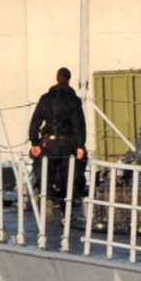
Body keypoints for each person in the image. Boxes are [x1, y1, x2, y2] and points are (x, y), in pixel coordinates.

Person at [28, 66, 88, 210]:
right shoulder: (74, 100)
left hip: (48, 143)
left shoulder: (45, 98)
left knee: (44, 167)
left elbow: (36, 120)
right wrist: (80, 145)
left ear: (57, 78)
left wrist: (34, 141)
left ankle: (48, 196)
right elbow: (78, 124)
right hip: (68, 142)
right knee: (71, 171)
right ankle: (66, 204)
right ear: (69, 80)